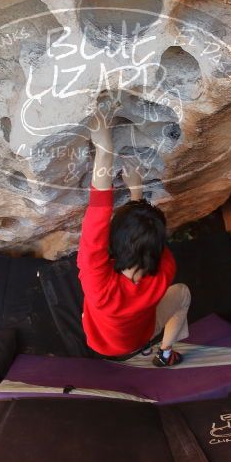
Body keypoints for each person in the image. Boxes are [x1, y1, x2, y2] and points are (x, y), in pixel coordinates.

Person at [76, 113, 191, 367]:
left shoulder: (98, 282)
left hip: (99, 338)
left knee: (93, 308)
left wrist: (105, 151)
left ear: (116, 237)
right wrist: (137, 194)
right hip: (140, 336)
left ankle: (159, 351)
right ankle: (165, 352)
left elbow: (98, 215)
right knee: (182, 294)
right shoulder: (164, 271)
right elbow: (151, 242)